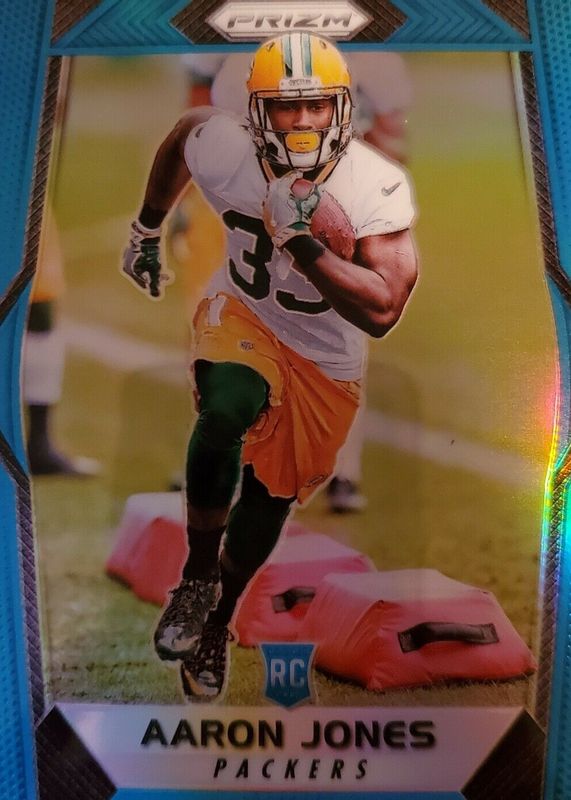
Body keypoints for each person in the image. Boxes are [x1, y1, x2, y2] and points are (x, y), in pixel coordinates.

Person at [122, 33, 418, 701]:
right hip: (245, 313)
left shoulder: (374, 183)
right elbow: (183, 134)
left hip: (326, 355)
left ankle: (218, 621)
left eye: (317, 105)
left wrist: (304, 245)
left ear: (342, 107)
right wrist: (145, 229)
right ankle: (196, 580)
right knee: (226, 408)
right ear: (254, 111)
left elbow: (383, 309)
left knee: (270, 495)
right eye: (286, 106)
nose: (304, 120)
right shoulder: (226, 147)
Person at [178, 49, 413, 512]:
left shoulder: (370, 46)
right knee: (218, 323)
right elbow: (199, 103)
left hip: (329, 201)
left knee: (335, 328)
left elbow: (391, 133)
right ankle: (220, 451)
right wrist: (191, 193)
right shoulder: (236, 32)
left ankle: (342, 467)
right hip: (236, 197)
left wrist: (366, 210)